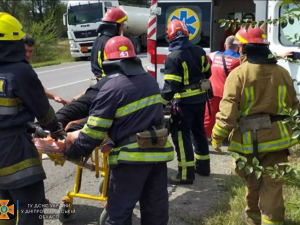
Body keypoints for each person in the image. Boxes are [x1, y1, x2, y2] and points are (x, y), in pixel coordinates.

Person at [64, 36, 174, 225]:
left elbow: (94, 131)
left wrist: (72, 151)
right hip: (157, 156)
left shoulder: (112, 88)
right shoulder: (150, 81)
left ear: (107, 61)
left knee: (118, 216)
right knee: (156, 212)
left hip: (130, 161)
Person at [211, 26, 299, 225]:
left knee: (252, 180)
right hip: (278, 140)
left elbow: (228, 112)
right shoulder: (282, 73)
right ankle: (270, 220)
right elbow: (294, 106)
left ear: (243, 48)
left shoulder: (238, 74)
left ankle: (253, 219)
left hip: (249, 141)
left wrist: (217, 136)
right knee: (273, 184)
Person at [0, 13, 66, 224]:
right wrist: (56, 131)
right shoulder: (20, 71)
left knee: (5, 206)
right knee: (32, 210)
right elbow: (43, 110)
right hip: (14, 154)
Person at [161, 19, 211, 185]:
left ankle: (185, 174)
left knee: (182, 136)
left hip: (184, 103)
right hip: (200, 99)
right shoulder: (199, 51)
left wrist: (158, 105)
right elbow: (207, 73)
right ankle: (203, 167)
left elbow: (170, 87)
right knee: (199, 132)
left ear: (170, 36)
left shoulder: (173, 58)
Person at [71, 7, 128, 102]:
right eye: (122, 25)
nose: (122, 28)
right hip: (109, 87)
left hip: (99, 83)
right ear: (115, 26)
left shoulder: (98, 40)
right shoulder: (112, 43)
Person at [204, 35, 240, 142]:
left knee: (209, 117)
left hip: (212, 92)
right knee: (229, 117)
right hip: (228, 94)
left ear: (225, 45)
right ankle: (228, 138)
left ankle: (206, 138)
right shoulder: (239, 60)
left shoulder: (213, 55)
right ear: (238, 47)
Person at [23, 34, 69, 106]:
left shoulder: (26, 66)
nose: (28, 54)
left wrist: (54, 96)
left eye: (30, 51)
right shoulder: (20, 68)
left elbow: (38, 87)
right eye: (25, 51)